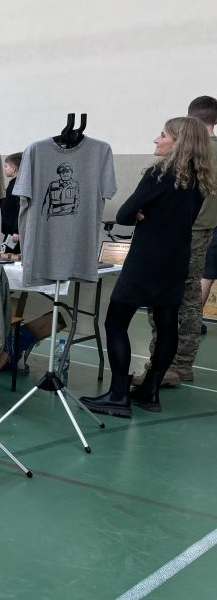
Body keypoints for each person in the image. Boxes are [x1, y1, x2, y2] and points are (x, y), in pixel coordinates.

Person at [81, 117, 215, 417]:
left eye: (162, 135)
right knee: (167, 323)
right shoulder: (200, 179)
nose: (156, 139)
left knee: (116, 322)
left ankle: (118, 395)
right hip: (176, 259)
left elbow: (124, 215)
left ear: (178, 142)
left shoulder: (159, 174)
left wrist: (140, 213)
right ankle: (150, 390)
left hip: (147, 259)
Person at [132, 96, 217, 385]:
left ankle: (162, 366)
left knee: (164, 300)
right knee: (190, 300)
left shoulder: (190, 151)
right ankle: (181, 365)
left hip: (176, 232)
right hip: (205, 231)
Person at [0, 152, 22, 257]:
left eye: (6, 166)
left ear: (13, 169)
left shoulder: (17, 186)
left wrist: (16, 231)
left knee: (7, 257)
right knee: (4, 255)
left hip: (13, 235)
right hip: (10, 232)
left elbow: (20, 209)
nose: (4, 169)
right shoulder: (12, 184)